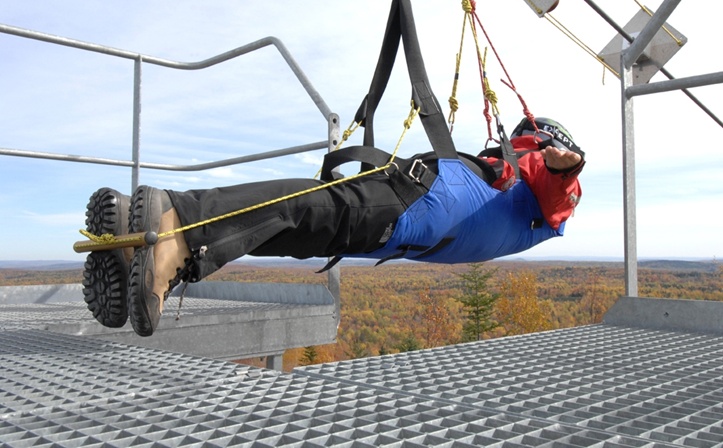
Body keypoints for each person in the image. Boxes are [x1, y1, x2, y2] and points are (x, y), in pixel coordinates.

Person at [81, 116, 584, 337]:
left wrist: (566, 168)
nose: (510, 144)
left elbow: (559, 190)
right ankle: (176, 221)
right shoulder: (523, 182)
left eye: (522, 139)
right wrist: (557, 168)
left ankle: (147, 240)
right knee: (305, 212)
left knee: (295, 231)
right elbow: (551, 184)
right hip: (415, 207)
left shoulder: (541, 187)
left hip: (414, 217)